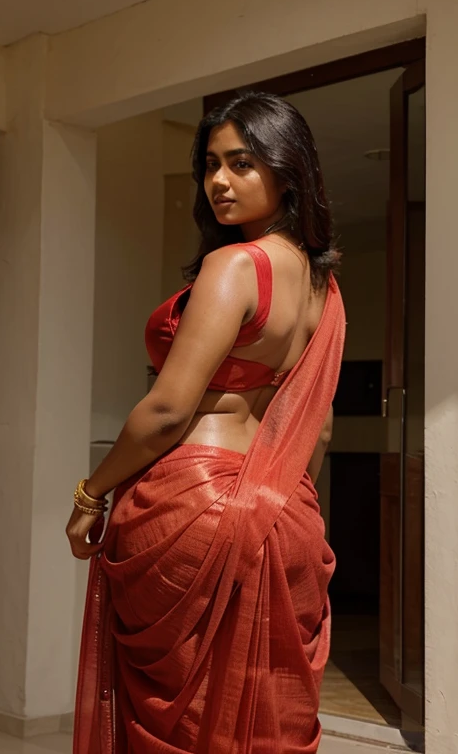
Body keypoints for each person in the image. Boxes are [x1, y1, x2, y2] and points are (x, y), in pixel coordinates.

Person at [67, 90, 346, 753]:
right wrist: (274, 505)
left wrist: (91, 492)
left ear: (288, 169)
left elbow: (167, 411)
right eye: (211, 165)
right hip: (290, 513)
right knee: (253, 713)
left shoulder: (235, 267)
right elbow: (320, 427)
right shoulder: (323, 289)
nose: (219, 181)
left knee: (174, 715)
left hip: (190, 504)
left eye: (243, 163)